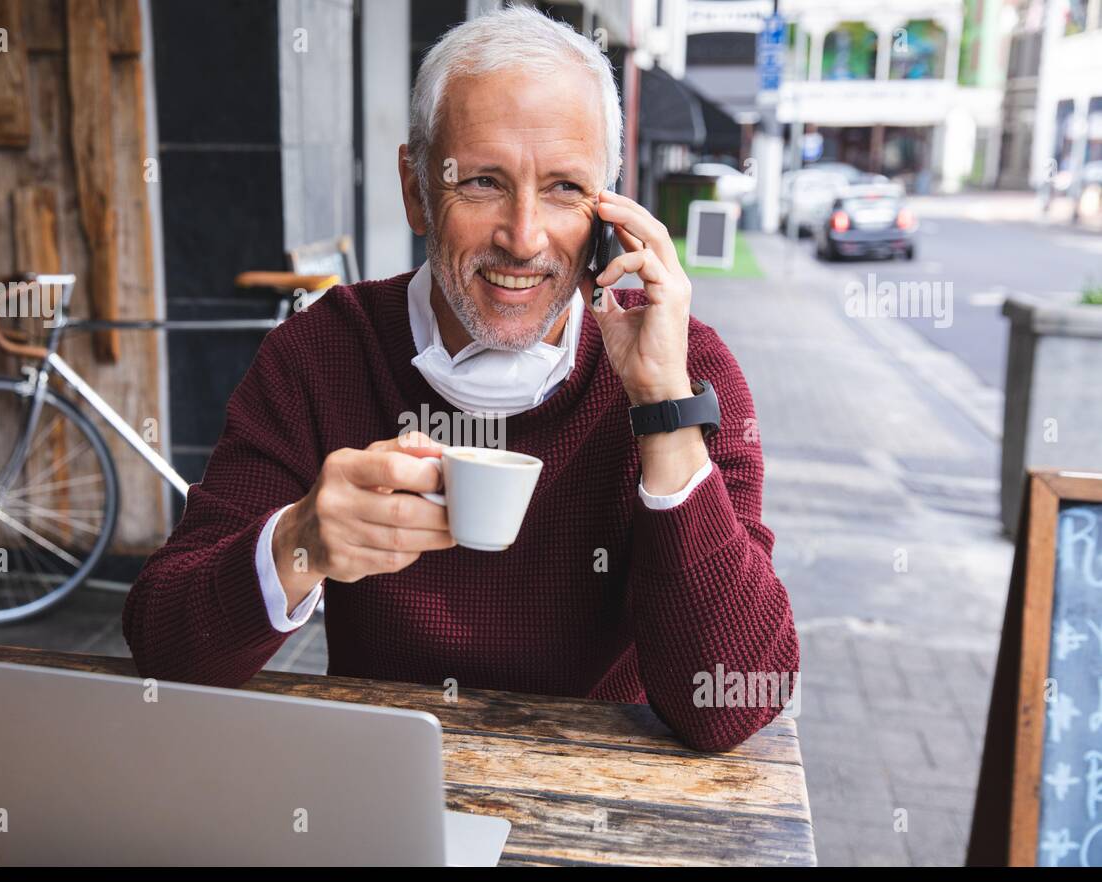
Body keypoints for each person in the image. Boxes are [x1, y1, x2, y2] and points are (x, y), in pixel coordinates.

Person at [123, 4, 798, 752]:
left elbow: (733, 704)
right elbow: (163, 649)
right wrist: (298, 543)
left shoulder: (683, 365)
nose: (524, 237)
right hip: (382, 792)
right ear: (416, 189)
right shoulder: (320, 353)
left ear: (609, 209)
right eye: (481, 182)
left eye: (566, 189)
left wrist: (662, 412)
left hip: (604, 804)